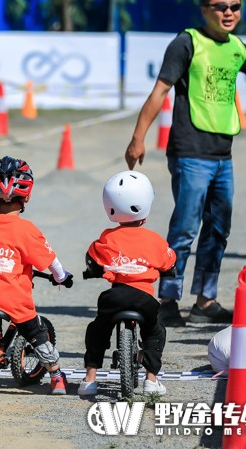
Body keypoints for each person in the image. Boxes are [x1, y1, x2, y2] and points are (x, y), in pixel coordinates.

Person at [124, 0, 246, 327]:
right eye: (221, 7)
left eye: (235, 7)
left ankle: (205, 301)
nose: (229, 13)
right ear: (205, 10)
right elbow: (159, 92)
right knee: (184, 229)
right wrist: (138, 138)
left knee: (218, 228)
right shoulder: (186, 43)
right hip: (189, 152)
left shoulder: (239, 49)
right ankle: (167, 299)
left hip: (222, 155)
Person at [0, 156, 72, 395]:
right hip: (13, 299)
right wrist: (61, 276)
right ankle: (56, 376)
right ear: (26, 195)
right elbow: (49, 260)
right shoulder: (27, 230)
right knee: (37, 335)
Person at [79, 170, 176, 396]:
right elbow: (169, 261)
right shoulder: (155, 240)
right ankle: (151, 380)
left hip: (115, 297)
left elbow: (92, 259)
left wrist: (94, 270)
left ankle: (90, 379)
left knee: (98, 330)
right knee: (155, 332)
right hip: (144, 299)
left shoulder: (107, 238)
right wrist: (167, 269)